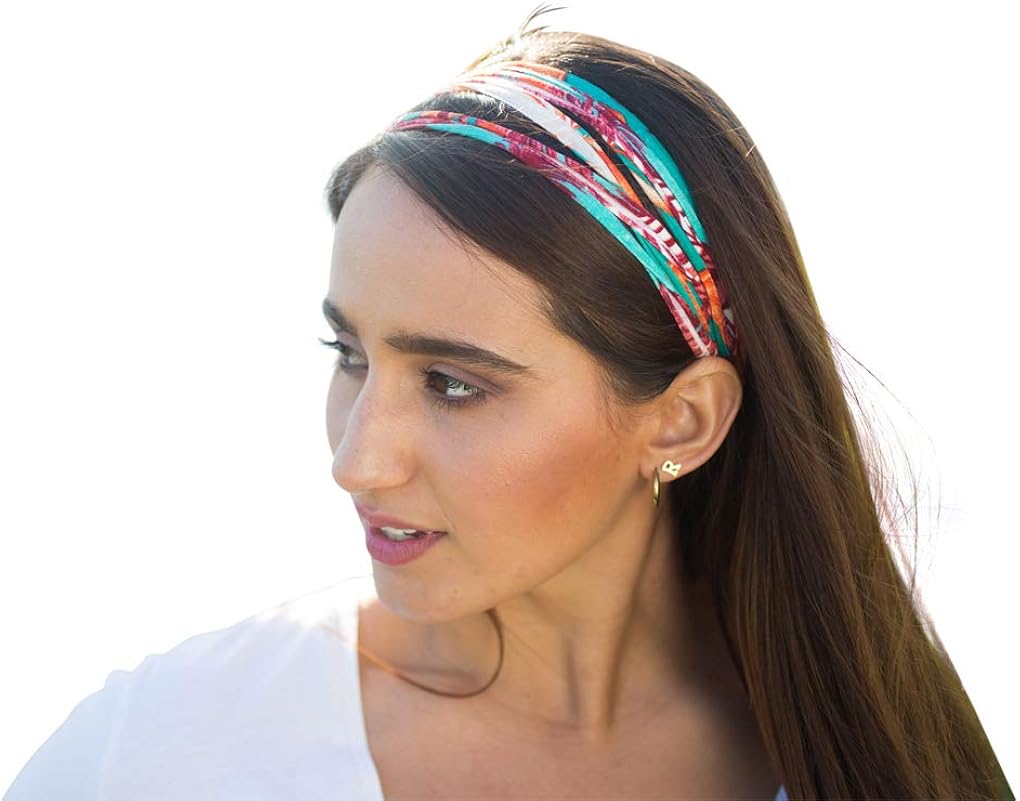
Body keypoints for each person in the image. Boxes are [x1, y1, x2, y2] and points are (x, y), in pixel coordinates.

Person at [5, 7, 1013, 801]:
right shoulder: (164, 753)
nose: (357, 461)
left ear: (683, 419)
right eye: (348, 355)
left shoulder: (877, 743)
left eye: (453, 384)